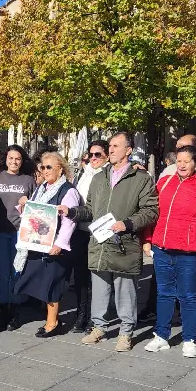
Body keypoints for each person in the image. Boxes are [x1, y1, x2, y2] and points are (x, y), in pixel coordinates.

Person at [71, 132, 159, 352]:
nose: (110, 150)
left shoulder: (140, 178)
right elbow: (90, 209)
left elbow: (151, 211)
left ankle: (126, 332)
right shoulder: (99, 177)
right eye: (109, 146)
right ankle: (99, 327)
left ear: (128, 150)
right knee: (100, 288)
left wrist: (127, 224)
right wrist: (71, 212)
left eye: (116, 146)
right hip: (100, 244)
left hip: (124, 243)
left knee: (124, 289)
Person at [143, 145, 196, 358]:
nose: (182, 165)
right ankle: (161, 335)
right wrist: (148, 239)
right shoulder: (164, 182)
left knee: (188, 296)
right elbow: (152, 213)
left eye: (187, 161)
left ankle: (189, 338)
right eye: (179, 161)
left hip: (188, 253)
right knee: (164, 294)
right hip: (162, 249)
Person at [13, 152, 80, 337]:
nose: (44, 170)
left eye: (49, 167)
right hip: (38, 243)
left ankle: (53, 323)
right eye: (42, 167)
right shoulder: (41, 188)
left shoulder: (68, 191)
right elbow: (33, 215)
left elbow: (69, 222)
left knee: (52, 284)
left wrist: (59, 244)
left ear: (60, 169)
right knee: (42, 282)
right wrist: (23, 205)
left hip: (54, 246)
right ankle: (50, 319)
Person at [0, 145, 35, 330]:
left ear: (22, 161)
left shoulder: (28, 180)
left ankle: (16, 309)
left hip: (21, 233)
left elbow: (35, 209)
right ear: (6, 159)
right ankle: (3, 308)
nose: (14, 162)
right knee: (3, 273)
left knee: (17, 272)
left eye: (18, 159)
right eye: (11, 158)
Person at [70, 140, 109, 332]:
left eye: (98, 155)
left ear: (107, 156)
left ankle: (96, 318)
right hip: (79, 230)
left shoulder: (109, 175)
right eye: (90, 155)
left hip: (99, 233)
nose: (93, 158)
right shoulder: (83, 174)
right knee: (80, 277)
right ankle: (81, 314)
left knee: (98, 278)